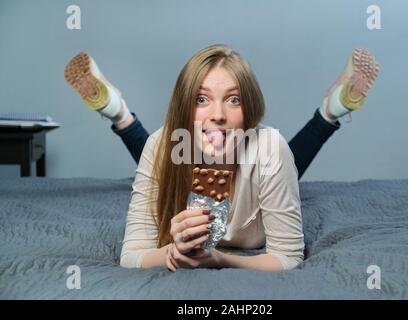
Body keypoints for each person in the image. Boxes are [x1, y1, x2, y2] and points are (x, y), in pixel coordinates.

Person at [65, 44, 379, 272]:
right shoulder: (163, 144)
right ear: (185, 105)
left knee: (274, 153)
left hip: (261, 152)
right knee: (164, 150)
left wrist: (219, 259)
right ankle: (117, 111)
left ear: (250, 109)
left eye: (233, 100)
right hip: (174, 144)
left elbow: (288, 257)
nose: (218, 114)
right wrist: (172, 253)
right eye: (201, 99)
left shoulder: (270, 147)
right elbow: (132, 256)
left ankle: (331, 111)